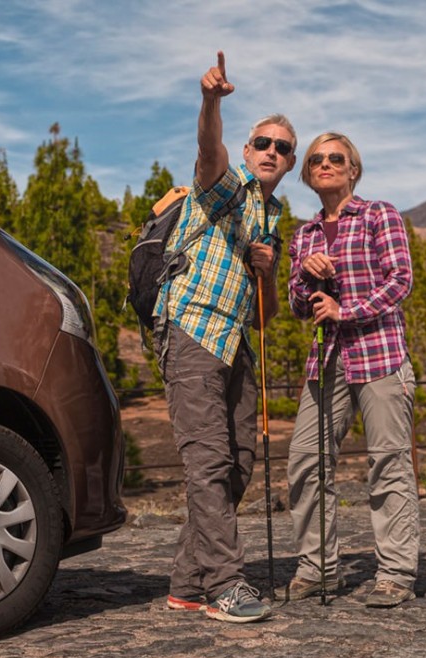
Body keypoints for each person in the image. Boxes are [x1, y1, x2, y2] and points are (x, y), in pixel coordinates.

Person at [153, 51, 296, 623]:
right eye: (263, 142)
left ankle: (188, 583)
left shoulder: (273, 217)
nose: (271, 152)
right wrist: (210, 101)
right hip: (191, 329)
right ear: (247, 150)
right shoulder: (223, 185)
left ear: (289, 164)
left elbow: (267, 316)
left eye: (283, 148)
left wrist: (268, 269)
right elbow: (206, 149)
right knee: (208, 461)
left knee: (239, 460)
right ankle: (226, 584)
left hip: (236, 340)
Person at [285, 131, 420, 608]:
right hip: (327, 361)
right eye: (316, 159)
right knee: (305, 461)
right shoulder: (302, 235)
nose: (325, 164)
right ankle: (319, 568)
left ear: (352, 169)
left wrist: (350, 310)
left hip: (380, 353)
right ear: (308, 173)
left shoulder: (379, 214)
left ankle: (396, 574)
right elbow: (299, 307)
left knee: (388, 462)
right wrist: (306, 278)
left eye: (335, 158)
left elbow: (401, 280)